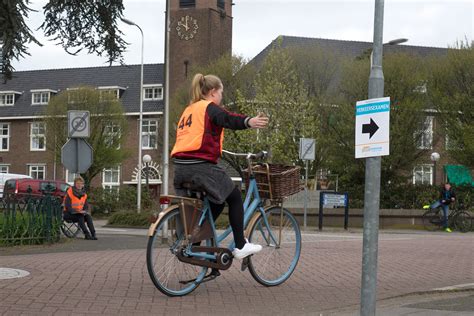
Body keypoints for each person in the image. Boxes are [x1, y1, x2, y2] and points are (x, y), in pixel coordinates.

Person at [171, 73, 269, 259]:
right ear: (213, 92)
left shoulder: (188, 110)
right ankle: (240, 245)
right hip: (200, 167)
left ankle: (194, 245)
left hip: (180, 168)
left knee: (216, 201)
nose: (222, 96)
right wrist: (249, 121)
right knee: (234, 197)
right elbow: (228, 118)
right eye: (221, 92)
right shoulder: (209, 108)